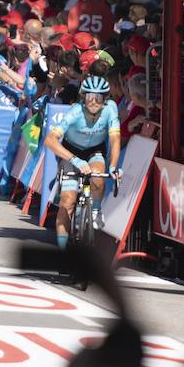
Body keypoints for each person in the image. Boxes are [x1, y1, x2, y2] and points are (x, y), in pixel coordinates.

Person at [43, 76, 123, 250]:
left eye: (98, 98)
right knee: (67, 201)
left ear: (105, 99)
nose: (93, 102)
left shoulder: (111, 109)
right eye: (89, 97)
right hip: (71, 152)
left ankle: (95, 210)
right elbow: (50, 140)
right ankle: (62, 250)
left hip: (95, 151)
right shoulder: (75, 111)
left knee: (98, 179)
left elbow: (115, 139)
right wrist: (75, 160)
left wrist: (113, 166)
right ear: (83, 97)